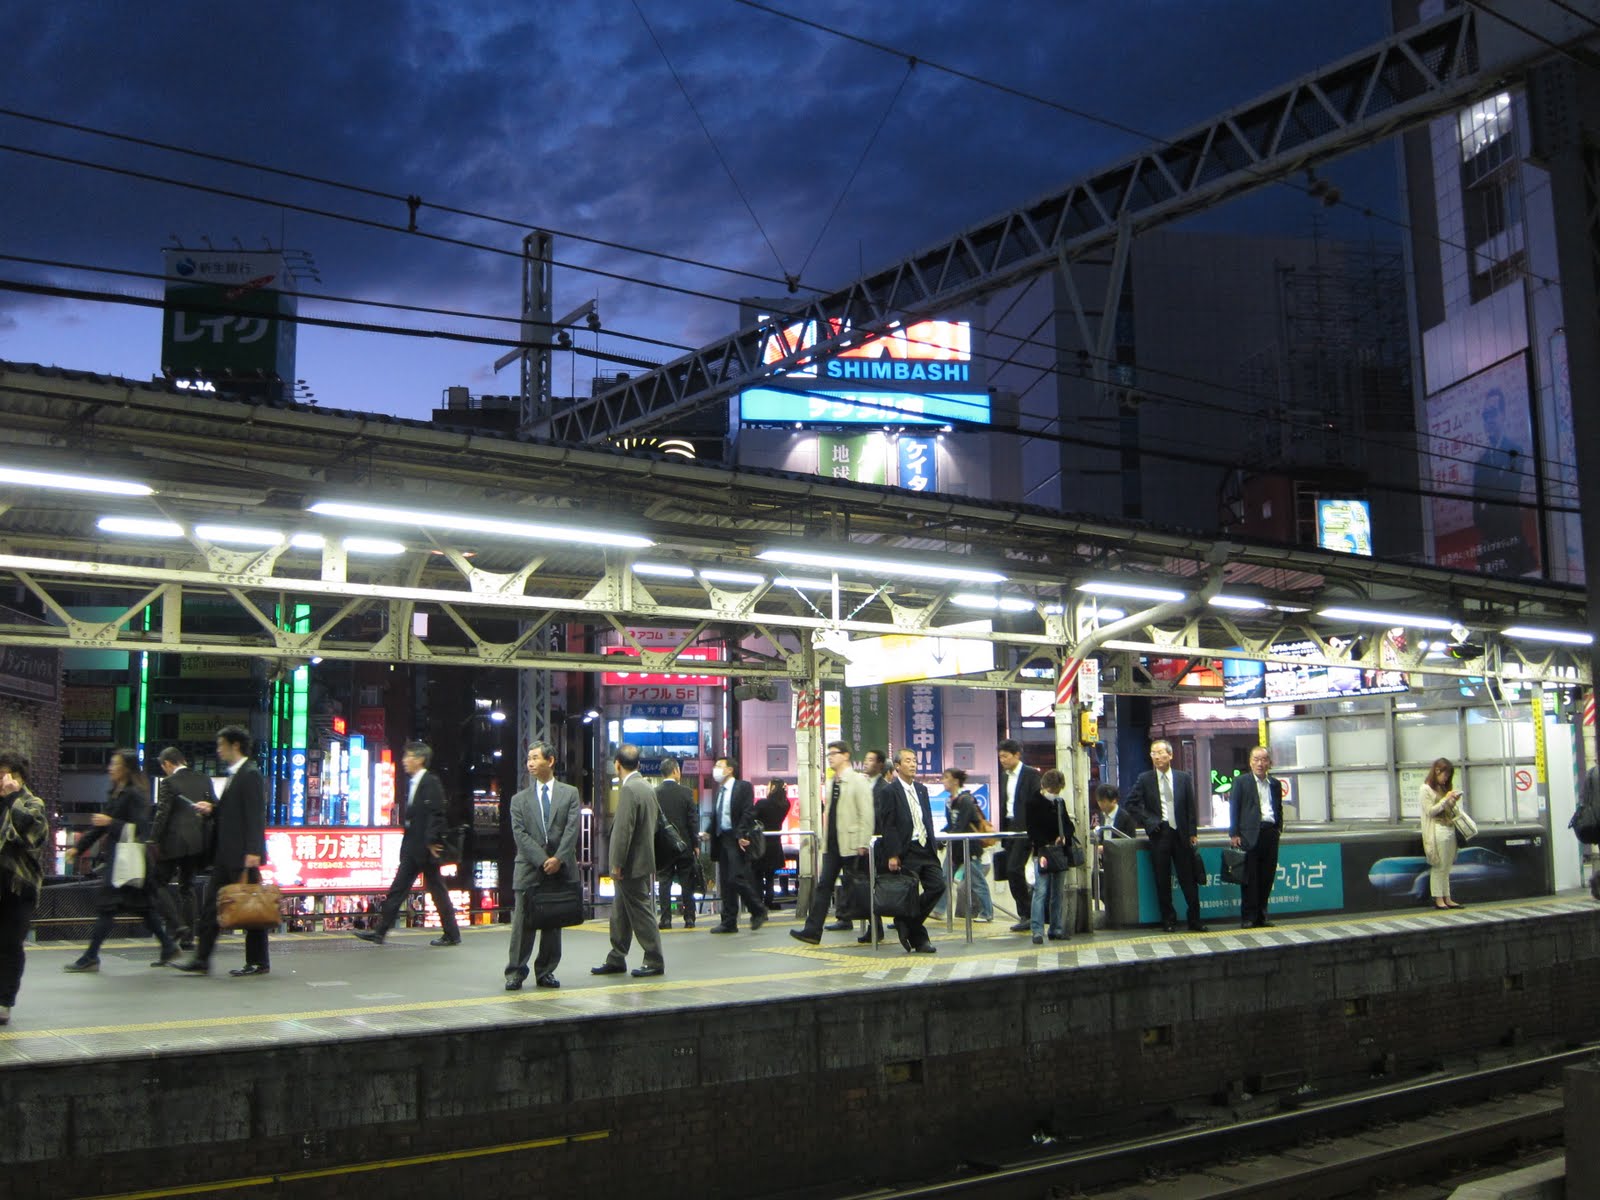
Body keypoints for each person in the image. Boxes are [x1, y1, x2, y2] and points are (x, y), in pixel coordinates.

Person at [64, 749, 181, 972]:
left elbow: (140, 828)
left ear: (126, 768)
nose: (110, 768)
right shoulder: (115, 793)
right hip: (123, 862)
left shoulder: (134, 794)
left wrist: (111, 822)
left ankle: (90, 956)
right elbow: (100, 827)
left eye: (115, 764)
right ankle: (167, 945)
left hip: (128, 861)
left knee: (108, 907)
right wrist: (78, 848)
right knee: (143, 908)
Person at [173, 725, 270, 977]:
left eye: (221, 745)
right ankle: (202, 959)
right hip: (226, 854)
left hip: (243, 856)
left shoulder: (250, 773)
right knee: (211, 907)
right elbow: (232, 812)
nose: (218, 750)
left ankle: (258, 961)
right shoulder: (236, 774)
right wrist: (212, 809)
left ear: (235, 745)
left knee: (251, 908)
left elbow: (256, 814)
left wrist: (253, 851)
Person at [354, 741, 460, 947]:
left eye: (408, 756)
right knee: (407, 889)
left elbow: (437, 813)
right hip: (414, 847)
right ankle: (381, 932)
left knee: (425, 890)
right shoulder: (415, 782)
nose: (404, 761)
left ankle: (450, 934)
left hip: (424, 848)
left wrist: (432, 841)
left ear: (419, 759)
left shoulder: (430, 781)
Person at [505, 741, 580, 990]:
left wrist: (558, 859)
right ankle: (515, 972)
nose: (530, 763)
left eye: (535, 758)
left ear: (550, 761)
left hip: (561, 867)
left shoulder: (570, 793)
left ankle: (546, 971)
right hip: (529, 867)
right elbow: (520, 834)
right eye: (528, 758)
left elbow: (572, 830)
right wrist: (543, 860)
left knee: (553, 922)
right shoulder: (518, 800)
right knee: (522, 923)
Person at [790, 741, 874, 945]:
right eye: (828, 754)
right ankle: (812, 931)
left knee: (859, 888)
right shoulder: (831, 782)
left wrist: (863, 842)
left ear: (845, 755)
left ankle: (875, 927)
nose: (830, 758)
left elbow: (866, 813)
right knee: (824, 887)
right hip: (833, 845)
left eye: (834, 754)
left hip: (852, 845)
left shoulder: (858, 781)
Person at [592, 744, 665, 978]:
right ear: (639, 764)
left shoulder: (629, 789)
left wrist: (617, 864)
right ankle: (616, 957)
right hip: (642, 860)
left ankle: (654, 959)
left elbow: (624, 830)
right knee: (620, 911)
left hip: (630, 864)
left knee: (641, 912)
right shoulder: (647, 787)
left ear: (617, 764)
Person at [1126, 738, 1207, 932]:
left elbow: (1190, 806)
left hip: (1181, 834)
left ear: (1170, 755)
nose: (1157, 757)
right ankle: (1168, 920)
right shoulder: (1145, 779)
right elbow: (1130, 803)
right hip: (1159, 833)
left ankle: (1195, 920)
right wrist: (1149, 821)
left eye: (1160, 752)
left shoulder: (1183, 778)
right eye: (1153, 753)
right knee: (1162, 879)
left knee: (1188, 878)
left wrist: (1192, 832)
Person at [878, 748, 945, 953]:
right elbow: (888, 825)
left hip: (926, 848)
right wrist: (893, 854)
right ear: (897, 766)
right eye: (908, 761)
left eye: (914, 760)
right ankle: (920, 939)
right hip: (907, 849)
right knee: (911, 894)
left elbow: (927, 819)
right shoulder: (889, 791)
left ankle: (905, 920)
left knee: (938, 886)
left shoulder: (922, 790)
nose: (913, 764)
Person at [0, 751, 46, 1024]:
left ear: (20, 778)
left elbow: (28, 837)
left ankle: (4, 1001)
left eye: (8, 775)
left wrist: (12, 798)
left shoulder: (32, 804)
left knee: (9, 944)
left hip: (19, 887)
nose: (2, 780)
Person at [150, 746, 210, 950]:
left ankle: (177, 925)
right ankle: (189, 938)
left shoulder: (168, 782)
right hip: (196, 843)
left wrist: (153, 840)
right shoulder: (203, 779)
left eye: (163, 767)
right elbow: (213, 805)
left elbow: (162, 814)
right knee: (187, 887)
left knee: (157, 883)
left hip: (173, 842)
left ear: (167, 764)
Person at [706, 756, 767, 932]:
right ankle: (729, 921)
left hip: (736, 838)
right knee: (725, 881)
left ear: (730, 769)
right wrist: (708, 832)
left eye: (719, 766)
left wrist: (741, 834)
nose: (715, 769)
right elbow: (717, 816)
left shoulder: (743, 787)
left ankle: (758, 909)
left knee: (735, 877)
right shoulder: (720, 791)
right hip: (721, 838)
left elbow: (748, 812)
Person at [1230, 746, 1285, 928]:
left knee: (1267, 877)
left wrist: (1278, 828)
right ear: (1250, 762)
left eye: (1264, 759)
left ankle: (1262, 916)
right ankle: (1248, 917)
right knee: (1249, 878)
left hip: (1270, 833)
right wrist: (1234, 833)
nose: (1260, 763)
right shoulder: (1241, 782)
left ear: (1270, 762)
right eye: (1256, 759)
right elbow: (1234, 807)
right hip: (1249, 834)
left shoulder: (1275, 784)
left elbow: (1278, 808)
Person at [931, 767, 993, 922]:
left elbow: (961, 825)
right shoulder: (948, 801)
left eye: (946, 777)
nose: (943, 781)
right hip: (956, 847)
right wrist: (940, 838)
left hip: (969, 847)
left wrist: (945, 839)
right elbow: (951, 825)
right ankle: (939, 909)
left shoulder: (966, 800)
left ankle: (987, 912)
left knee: (976, 881)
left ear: (955, 781)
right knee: (945, 877)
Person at [997, 739, 1040, 932]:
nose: (1002, 760)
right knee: (1010, 871)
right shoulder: (1004, 776)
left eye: (1005, 756)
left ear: (1017, 755)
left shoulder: (1031, 774)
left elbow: (1036, 801)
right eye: (1000, 757)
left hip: (1025, 829)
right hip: (1010, 827)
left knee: (1014, 868)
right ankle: (1025, 914)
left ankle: (1029, 913)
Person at [655, 756, 701, 929]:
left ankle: (665, 919)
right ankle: (689, 918)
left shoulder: (655, 793)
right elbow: (693, 821)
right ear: (675, 771)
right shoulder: (686, 792)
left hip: (662, 846)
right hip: (684, 844)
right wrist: (695, 844)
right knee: (686, 881)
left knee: (664, 882)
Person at [1419, 757, 1465, 910]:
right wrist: (1445, 800)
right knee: (1439, 865)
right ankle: (1439, 898)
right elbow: (1430, 811)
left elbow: (1447, 809)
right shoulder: (1425, 789)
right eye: (1445, 775)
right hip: (1437, 829)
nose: (1446, 779)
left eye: (1448, 776)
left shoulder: (1443, 788)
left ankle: (1447, 898)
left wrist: (1453, 801)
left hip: (1449, 828)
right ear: (1437, 771)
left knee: (1447, 866)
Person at [753, 779, 789, 911]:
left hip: (760, 842)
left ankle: (758, 902)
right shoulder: (785, 804)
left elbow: (752, 818)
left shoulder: (762, 803)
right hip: (775, 842)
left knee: (758, 874)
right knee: (770, 876)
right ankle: (769, 900)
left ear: (773, 788)